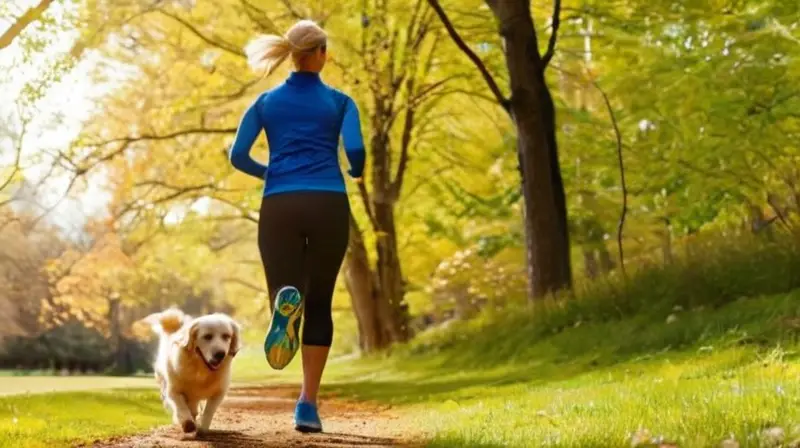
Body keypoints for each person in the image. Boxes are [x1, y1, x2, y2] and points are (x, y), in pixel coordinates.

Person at [228, 19, 365, 433]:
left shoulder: (266, 102)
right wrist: (355, 169)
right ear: (321, 53)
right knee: (321, 299)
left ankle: (283, 305)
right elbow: (356, 149)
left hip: (280, 203)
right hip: (328, 202)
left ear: (291, 54)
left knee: (286, 292)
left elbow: (238, 155)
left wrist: (270, 172)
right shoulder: (341, 102)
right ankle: (307, 403)